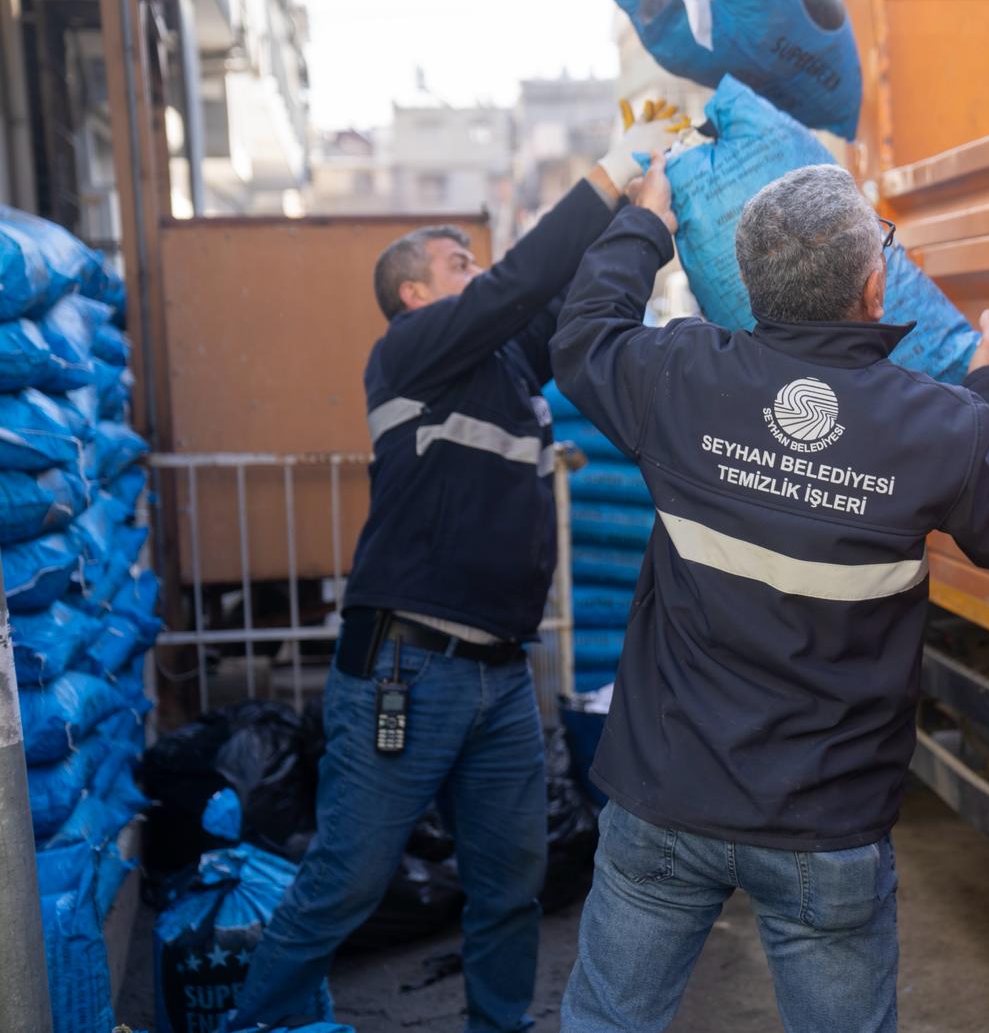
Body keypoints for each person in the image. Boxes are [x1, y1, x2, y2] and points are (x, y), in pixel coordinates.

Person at [553, 161, 989, 1033]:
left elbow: (584, 330)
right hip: (826, 824)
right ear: (873, 280)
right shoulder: (939, 424)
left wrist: (643, 224)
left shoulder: (681, 377)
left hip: (667, 795)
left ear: (751, 278)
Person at [228, 111, 682, 1033]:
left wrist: (647, 222)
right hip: (409, 668)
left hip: (499, 677)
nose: (476, 274)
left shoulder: (508, 366)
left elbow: (564, 301)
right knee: (347, 880)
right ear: (411, 296)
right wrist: (606, 172)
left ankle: (498, 1025)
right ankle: (257, 1023)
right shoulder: (408, 356)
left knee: (510, 884)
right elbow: (519, 284)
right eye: (456, 264)